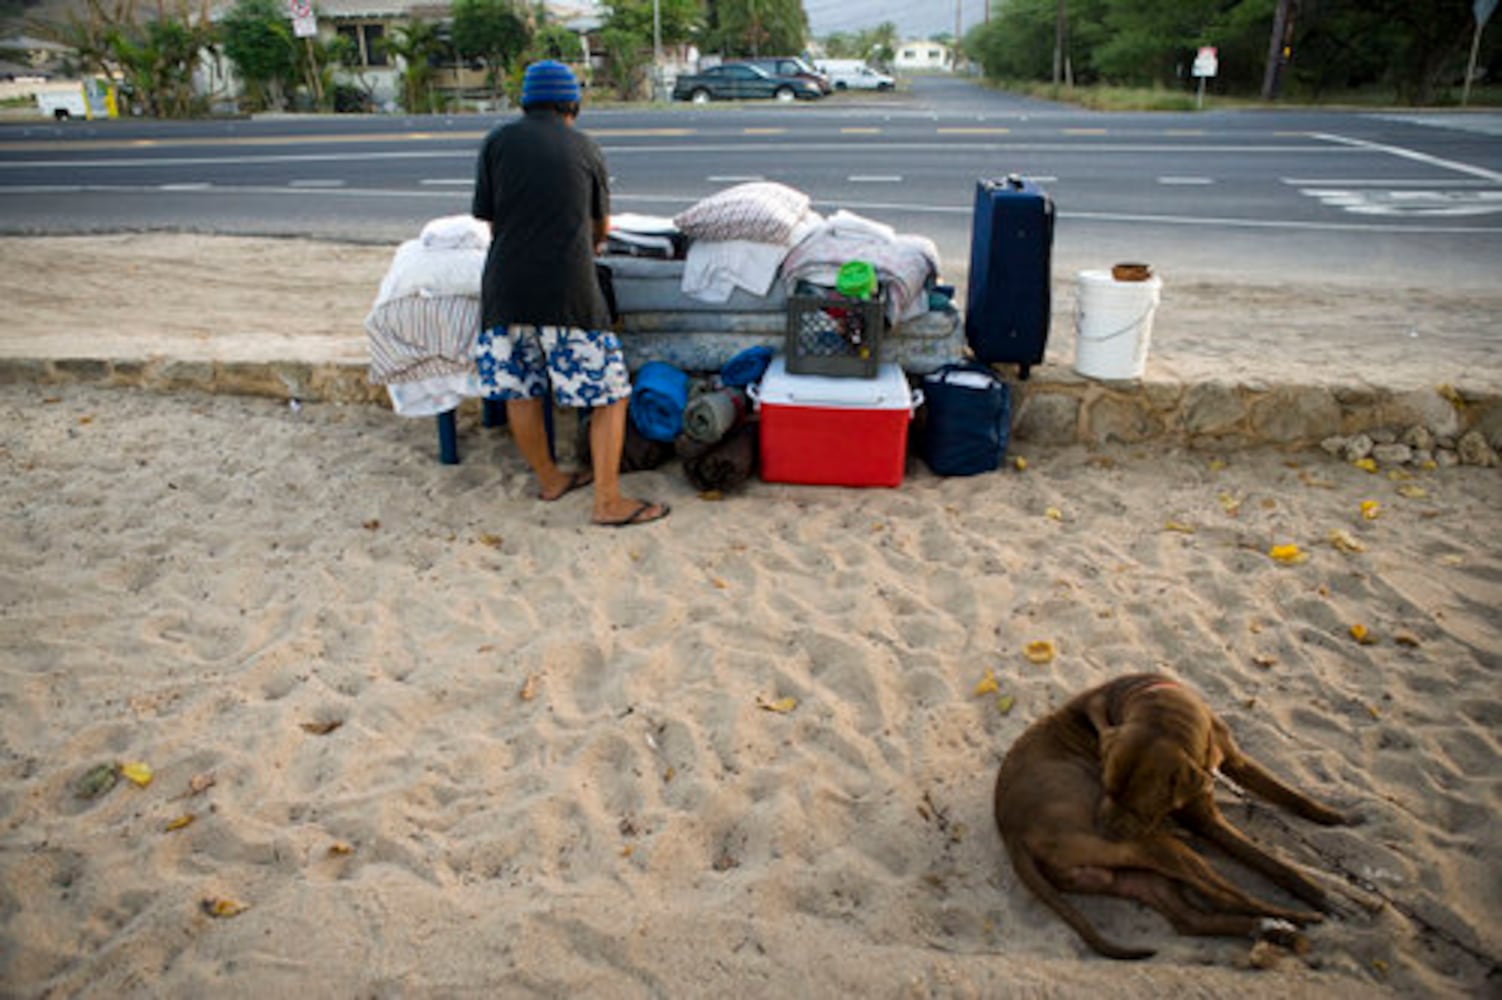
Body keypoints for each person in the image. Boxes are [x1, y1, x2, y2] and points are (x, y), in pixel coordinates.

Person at [472, 60, 670, 528]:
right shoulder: (584, 147)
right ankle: (607, 501)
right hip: (567, 292)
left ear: (525, 102)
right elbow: (600, 228)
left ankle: (550, 479)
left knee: (521, 390)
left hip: (504, 290)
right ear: (572, 105)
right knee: (610, 396)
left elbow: (491, 220)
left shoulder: (496, 142)